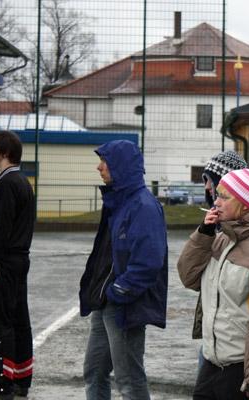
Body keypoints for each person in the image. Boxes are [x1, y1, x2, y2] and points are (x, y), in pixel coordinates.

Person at [177, 169, 249, 400]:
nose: (216, 202)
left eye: (224, 197)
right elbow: (188, 277)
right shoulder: (220, 239)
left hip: (242, 368)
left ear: (246, 204)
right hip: (211, 363)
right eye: (217, 195)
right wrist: (203, 234)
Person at [79, 140, 168, 400]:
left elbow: (149, 263)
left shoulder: (143, 206)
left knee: (128, 379)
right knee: (94, 372)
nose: (99, 167)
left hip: (124, 305)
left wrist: (118, 292)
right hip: (105, 302)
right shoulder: (117, 202)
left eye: (104, 162)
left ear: (120, 166)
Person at [0, 130, 35, 400]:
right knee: (18, 320)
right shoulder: (23, 181)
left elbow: (2, 228)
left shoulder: (6, 183)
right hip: (19, 260)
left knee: (0, 324)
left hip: (4, 262)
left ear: (4, 152)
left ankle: (2, 385)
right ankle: (22, 379)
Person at [192, 151, 248, 346]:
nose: (206, 186)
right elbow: (189, 276)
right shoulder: (211, 225)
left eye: (210, 180)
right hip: (213, 327)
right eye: (205, 180)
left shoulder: (243, 231)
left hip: (231, 335)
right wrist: (203, 233)